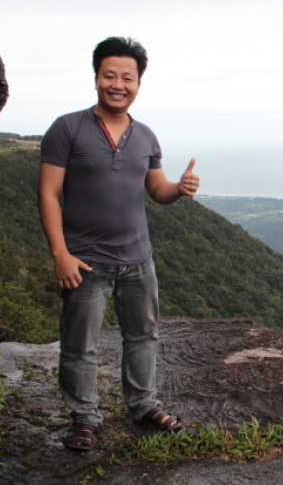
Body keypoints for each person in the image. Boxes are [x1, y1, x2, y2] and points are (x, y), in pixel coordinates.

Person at [37, 36, 200, 451]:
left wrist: (179, 189)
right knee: (80, 345)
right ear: (96, 78)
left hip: (138, 259)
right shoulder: (67, 128)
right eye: (110, 75)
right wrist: (60, 254)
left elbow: (156, 190)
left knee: (144, 336)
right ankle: (84, 417)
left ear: (138, 84)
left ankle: (143, 404)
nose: (118, 84)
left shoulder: (145, 136)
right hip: (85, 261)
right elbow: (48, 194)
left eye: (127, 77)